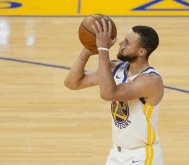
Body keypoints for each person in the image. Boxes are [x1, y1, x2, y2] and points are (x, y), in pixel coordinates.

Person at [64, 19, 164, 165]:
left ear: (141, 52)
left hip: (142, 155)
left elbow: (108, 93)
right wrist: (87, 51)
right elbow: (72, 83)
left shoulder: (151, 81)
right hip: (117, 154)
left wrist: (103, 50)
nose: (121, 44)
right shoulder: (115, 68)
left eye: (127, 43)